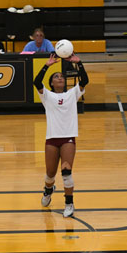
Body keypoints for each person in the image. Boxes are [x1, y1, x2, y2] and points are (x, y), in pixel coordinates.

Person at [33, 52, 89, 218]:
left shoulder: (72, 93)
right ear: (51, 82)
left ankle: (69, 203)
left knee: (66, 170)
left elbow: (84, 81)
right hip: (52, 138)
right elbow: (37, 82)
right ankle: (48, 190)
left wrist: (79, 63)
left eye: (62, 77)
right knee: (50, 173)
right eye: (56, 77)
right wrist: (46, 66)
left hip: (68, 138)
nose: (60, 78)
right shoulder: (47, 95)